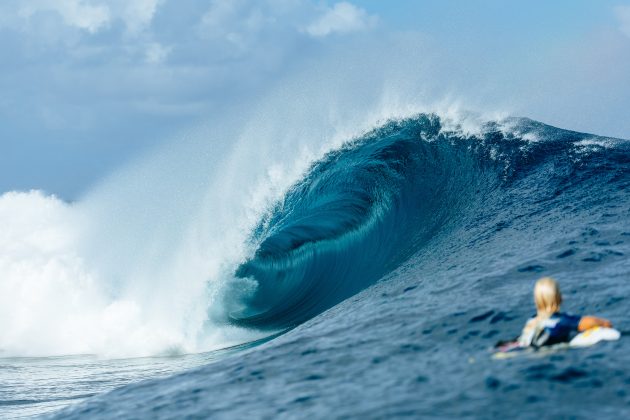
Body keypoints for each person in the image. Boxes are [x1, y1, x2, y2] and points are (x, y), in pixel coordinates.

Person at [517, 277, 612, 348]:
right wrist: (606, 323)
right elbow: (599, 323)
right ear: (558, 297)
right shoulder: (562, 320)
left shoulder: (532, 320)